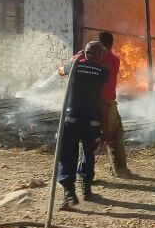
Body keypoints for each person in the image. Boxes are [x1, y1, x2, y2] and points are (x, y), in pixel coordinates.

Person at [56, 40, 108, 208]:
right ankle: (86, 188)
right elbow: (103, 97)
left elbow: (60, 71)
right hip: (92, 120)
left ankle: (69, 193)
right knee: (88, 153)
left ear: (84, 54)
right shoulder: (103, 72)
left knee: (67, 154)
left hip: (71, 119)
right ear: (100, 56)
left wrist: (74, 61)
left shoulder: (74, 67)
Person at [97, 30, 131, 177]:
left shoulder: (87, 59)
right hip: (107, 104)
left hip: (89, 104)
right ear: (111, 44)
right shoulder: (114, 60)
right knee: (115, 135)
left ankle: (83, 175)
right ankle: (120, 170)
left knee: (86, 139)